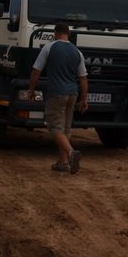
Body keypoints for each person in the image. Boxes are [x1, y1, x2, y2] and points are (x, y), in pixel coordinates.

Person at [28, 21, 87, 174]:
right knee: (65, 129)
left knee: (54, 127)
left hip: (56, 93)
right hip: (73, 93)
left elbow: (36, 71)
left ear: (55, 33)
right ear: (69, 33)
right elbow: (83, 78)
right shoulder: (77, 52)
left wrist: (31, 90)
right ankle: (63, 162)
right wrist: (84, 99)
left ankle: (72, 153)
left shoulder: (49, 47)